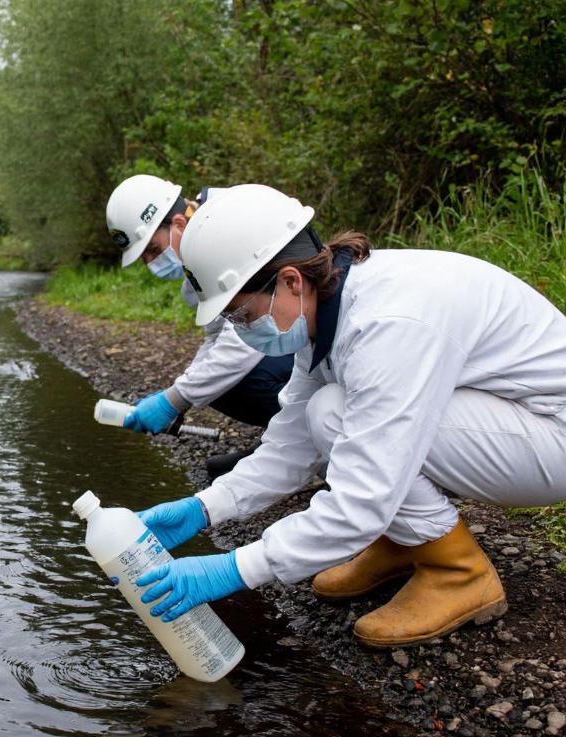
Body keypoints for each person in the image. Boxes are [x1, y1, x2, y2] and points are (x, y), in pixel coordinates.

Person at [132, 183, 566, 648]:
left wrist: (236, 567)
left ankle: (457, 572)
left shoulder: (389, 323)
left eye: (241, 314)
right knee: (323, 412)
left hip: (551, 434)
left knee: (340, 418)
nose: (241, 330)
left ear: (290, 280)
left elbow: (365, 493)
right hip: (512, 416)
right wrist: (205, 507)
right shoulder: (325, 308)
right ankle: (405, 540)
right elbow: (291, 443)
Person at [105, 175, 295, 479]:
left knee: (234, 379)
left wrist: (174, 399)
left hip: (304, 334)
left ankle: (307, 443)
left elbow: (243, 340)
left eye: (153, 249)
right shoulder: (201, 244)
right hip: (288, 336)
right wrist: (178, 394)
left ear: (179, 223)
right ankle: (287, 439)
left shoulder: (228, 227)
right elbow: (218, 334)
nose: (151, 262)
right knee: (209, 381)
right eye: (144, 257)